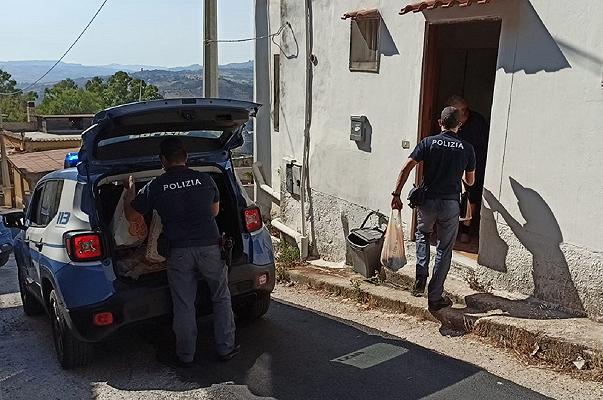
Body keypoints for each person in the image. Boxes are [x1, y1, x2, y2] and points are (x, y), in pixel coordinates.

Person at [123, 137, 239, 368]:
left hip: (179, 252)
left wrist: (128, 193)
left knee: (184, 303)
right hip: (210, 247)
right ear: (186, 158)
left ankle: (186, 355)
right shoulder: (205, 180)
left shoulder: (156, 186)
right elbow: (215, 212)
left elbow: (131, 216)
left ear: (163, 160)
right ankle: (225, 348)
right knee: (221, 296)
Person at [391, 107, 476, 311]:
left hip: (427, 201)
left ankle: (421, 277)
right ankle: (435, 297)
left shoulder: (428, 142)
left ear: (440, 122)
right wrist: (460, 175)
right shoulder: (467, 148)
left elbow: (406, 167)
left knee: (422, 234)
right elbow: (470, 181)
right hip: (450, 204)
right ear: (459, 124)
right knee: (444, 249)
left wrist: (396, 194)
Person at [446, 95, 490, 243]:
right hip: (456, 166)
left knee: (471, 197)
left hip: (475, 166)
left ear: (463, 112)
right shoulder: (453, 122)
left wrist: (470, 168)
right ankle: (452, 228)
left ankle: (465, 230)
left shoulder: (477, 123)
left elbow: (482, 149)